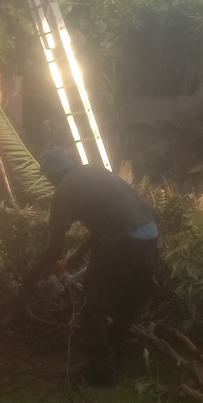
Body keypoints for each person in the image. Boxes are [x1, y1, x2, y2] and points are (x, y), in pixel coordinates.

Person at [27, 147, 160, 385]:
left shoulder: (63, 191)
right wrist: (77, 257)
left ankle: (102, 371)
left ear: (50, 175)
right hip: (149, 235)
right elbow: (106, 221)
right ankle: (115, 354)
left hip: (122, 241)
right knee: (129, 301)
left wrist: (31, 274)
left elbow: (54, 248)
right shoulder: (93, 170)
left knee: (93, 309)